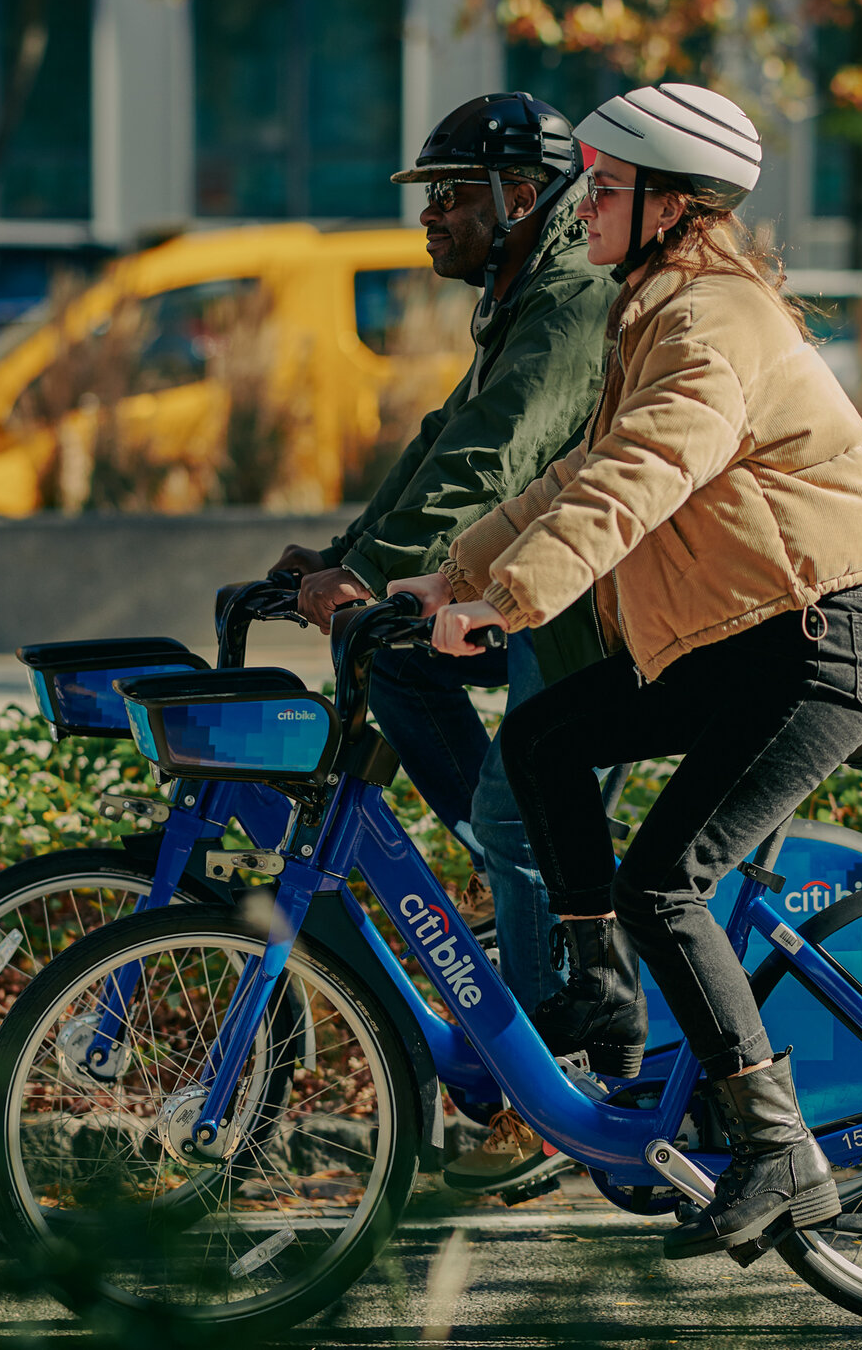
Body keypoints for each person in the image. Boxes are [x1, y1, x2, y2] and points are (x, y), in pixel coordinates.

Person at [397, 82, 862, 1261]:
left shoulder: (712, 322)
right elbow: (578, 470)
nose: (584, 210)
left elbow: (646, 475)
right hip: (738, 640)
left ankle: (779, 1147)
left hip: (815, 645)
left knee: (666, 878)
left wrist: (508, 603)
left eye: (609, 190)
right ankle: (602, 992)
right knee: (541, 741)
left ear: (675, 206)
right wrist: (446, 577)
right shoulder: (657, 308)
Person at [268, 91, 620, 1193]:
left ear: (525, 196)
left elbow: (498, 455)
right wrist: (340, 557)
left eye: (454, 196)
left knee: (516, 809)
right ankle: (537, 898)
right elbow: (444, 440)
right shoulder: (520, 293)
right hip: (530, 599)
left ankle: (548, 1077)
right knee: (401, 666)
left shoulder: (568, 300)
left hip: (598, 611)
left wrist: (367, 575)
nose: (434, 218)